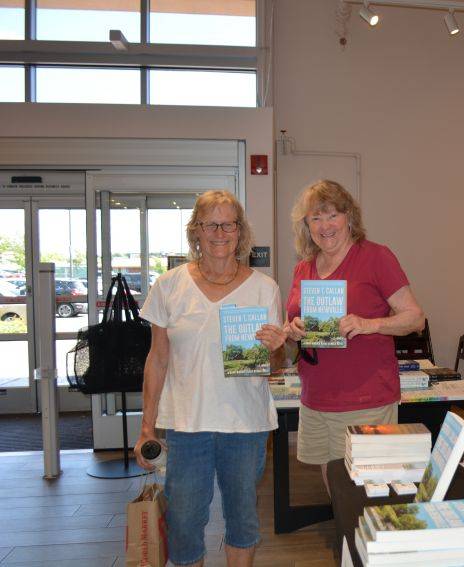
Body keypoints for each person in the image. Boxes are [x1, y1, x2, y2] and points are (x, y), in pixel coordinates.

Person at [134, 190, 287, 567]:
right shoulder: (168, 286)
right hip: (187, 425)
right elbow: (157, 360)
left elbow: (275, 365)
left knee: (242, 518)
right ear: (196, 231)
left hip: (245, 424)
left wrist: (277, 347)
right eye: (211, 224)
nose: (220, 232)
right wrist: (146, 427)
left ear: (240, 231)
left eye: (229, 224)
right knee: (184, 522)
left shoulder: (264, 288)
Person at [284, 180, 425, 493]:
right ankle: (347, 540)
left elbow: (415, 318)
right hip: (316, 396)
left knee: (369, 488)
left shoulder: (375, 257)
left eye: (332, 215)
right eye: (315, 218)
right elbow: (294, 328)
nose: (325, 226)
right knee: (334, 484)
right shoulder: (303, 268)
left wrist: (368, 324)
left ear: (349, 217)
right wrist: (292, 331)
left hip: (365, 397)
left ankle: (367, 542)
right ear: (306, 225)